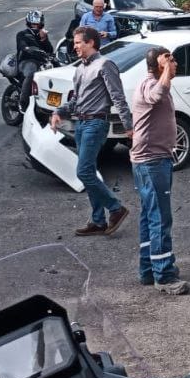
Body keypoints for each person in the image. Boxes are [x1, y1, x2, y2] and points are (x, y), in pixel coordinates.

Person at [51, 25, 132, 236]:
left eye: (78, 42)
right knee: (90, 172)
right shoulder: (80, 69)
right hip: (81, 123)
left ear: (91, 43)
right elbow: (75, 100)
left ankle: (116, 209)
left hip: (97, 124)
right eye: (75, 42)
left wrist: (128, 126)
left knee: (83, 172)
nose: (75, 46)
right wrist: (58, 111)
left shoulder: (105, 65)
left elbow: (118, 97)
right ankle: (98, 220)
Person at [131, 46, 187, 294]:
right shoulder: (150, 84)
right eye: (170, 60)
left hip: (151, 160)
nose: (175, 64)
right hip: (151, 162)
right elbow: (156, 95)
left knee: (148, 216)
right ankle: (163, 275)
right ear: (159, 65)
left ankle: (148, 270)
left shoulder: (153, 82)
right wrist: (164, 69)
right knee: (160, 218)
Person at [15, 10, 54, 112]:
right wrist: (28, 49)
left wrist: (44, 39)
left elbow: (50, 50)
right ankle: (23, 102)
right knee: (31, 73)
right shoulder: (22, 34)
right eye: (33, 24)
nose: (35, 26)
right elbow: (22, 45)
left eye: (37, 24)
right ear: (28, 23)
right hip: (26, 61)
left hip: (41, 62)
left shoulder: (42, 35)